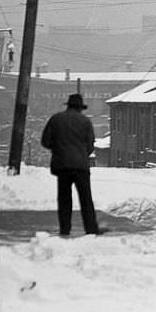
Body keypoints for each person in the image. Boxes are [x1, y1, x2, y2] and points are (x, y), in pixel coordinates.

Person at [40, 93, 103, 236]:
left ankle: (65, 229)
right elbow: (90, 145)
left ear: (68, 105)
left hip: (62, 165)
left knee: (64, 199)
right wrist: (81, 154)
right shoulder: (85, 122)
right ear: (80, 108)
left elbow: (45, 141)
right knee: (86, 198)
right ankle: (91, 229)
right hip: (81, 166)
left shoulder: (56, 119)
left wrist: (57, 149)